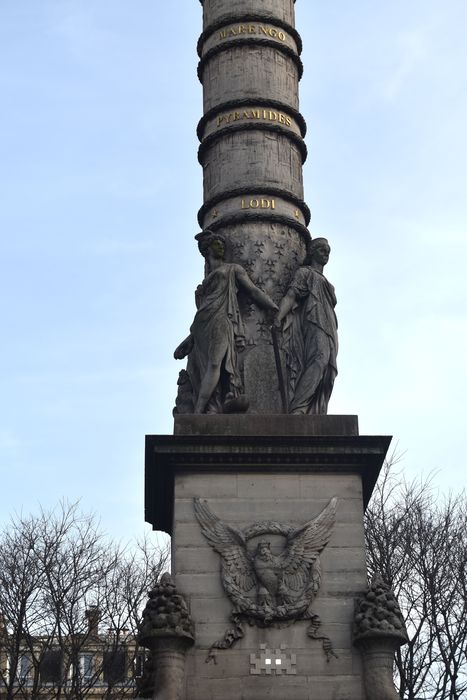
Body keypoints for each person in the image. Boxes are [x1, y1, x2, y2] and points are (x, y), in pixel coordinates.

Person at [174, 232, 278, 414]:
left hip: (222, 319)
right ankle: (208, 407)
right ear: (207, 250)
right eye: (216, 244)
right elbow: (203, 309)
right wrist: (189, 340)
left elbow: (253, 291)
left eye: (222, 244)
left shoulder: (233, 269)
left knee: (215, 364)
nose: (221, 247)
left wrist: (272, 306)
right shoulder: (205, 284)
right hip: (202, 324)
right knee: (208, 366)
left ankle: (200, 409)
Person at [274, 237, 338, 414]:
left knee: (329, 371)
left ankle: (314, 410)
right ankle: (298, 407)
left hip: (330, 326)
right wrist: (279, 316)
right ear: (311, 252)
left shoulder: (328, 284)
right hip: (314, 320)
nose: (326, 253)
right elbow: (291, 295)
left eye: (328, 251)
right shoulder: (305, 273)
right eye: (322, 249)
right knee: (319, 360)